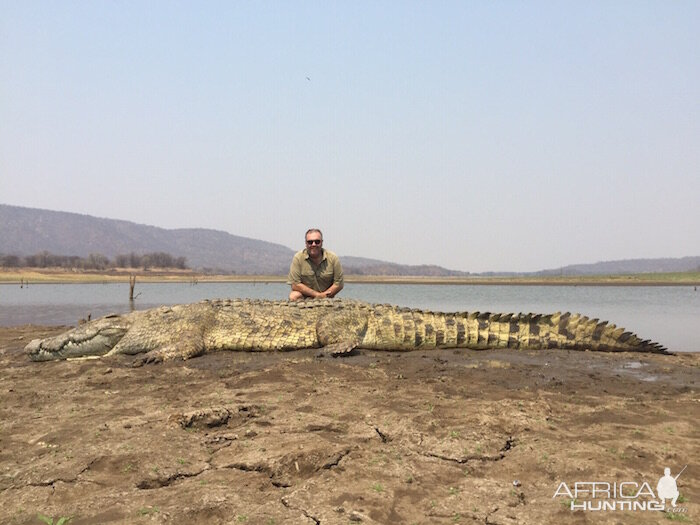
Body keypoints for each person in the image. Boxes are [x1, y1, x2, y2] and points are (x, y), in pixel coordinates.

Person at [287, 228, 344, 301]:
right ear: (306, 243)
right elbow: (295, 285)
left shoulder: (333, 258)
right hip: (305, 298)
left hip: (327, 298)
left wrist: (324, 295)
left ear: (322, 242)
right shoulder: (298, 258)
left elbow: (338, 284)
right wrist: (318, 295)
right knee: (293, 296)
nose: (313, 244)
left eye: (317, 242)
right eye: (310, 242)